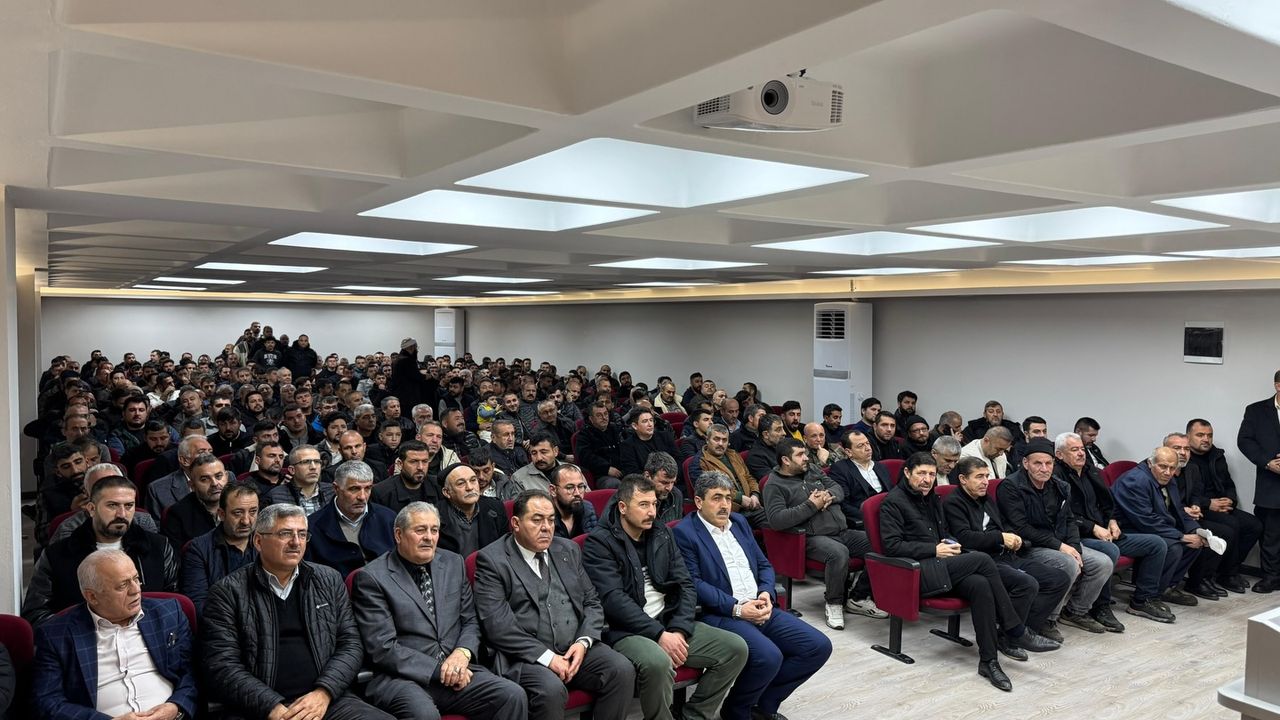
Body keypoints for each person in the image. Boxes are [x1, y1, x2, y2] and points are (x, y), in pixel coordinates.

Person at [203, 503, 392, 720]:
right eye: (285, 534)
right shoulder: (227, 593)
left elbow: (351, 644)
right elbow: (222, 665)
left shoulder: (329, 580)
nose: (296, 542)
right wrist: (272, 707)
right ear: (258, 541)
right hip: (260, 708)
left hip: (326, 701)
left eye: (302, 534)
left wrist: (324, 692)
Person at [583, 475, 748, 720]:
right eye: (643, 505)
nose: (652, 511)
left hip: (668, 621)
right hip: (627, 631)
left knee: (736, 649)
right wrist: (659, 635)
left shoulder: (661, 532)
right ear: (623, 507)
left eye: (654, 504)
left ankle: (693, 716)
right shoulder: (599, 543)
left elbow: (685, 584)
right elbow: (613, 600)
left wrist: (679, 629)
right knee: (659, 663)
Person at [880, 453, 1047, 691]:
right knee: (982, 560)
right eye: (921, 473)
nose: (927, 479)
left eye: (931, 474)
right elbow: (892, 546)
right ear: (907, 473)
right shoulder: (893, 502)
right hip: (915, 572)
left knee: (980, 585)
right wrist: (934, 549)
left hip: (941, 564)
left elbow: (943, 533)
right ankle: (1015, 629)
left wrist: (950, 543)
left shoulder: (932, 498)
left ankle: (989, 661)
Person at [674, 472, 832, 720]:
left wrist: (766, 592)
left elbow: (764, 564)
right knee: (768, 657)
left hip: (759, 605)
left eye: (728, 498)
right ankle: (736, 711)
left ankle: (763, 705)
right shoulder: (684, 532)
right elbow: (694, 584)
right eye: (716, 498)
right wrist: (738, 608)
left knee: (817, 647)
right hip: (721, 613)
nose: (725, 505)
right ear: (698, 502)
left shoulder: (739, 522)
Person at [350, 502, 527, 720]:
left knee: (511, 695)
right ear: (398, 535)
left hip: (458, 666)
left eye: (434, 530)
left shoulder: (454, 563)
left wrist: (462, 653)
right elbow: (383, 648)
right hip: (402, 678)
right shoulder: (372, 578)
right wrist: (441, 669)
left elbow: (471, 620)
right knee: (424, 714)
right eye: (420, 530)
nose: (429, 537)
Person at [473, 489, 635, 720]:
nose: (546, 527)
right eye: (537, 520)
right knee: (550, 690)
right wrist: (548, 658)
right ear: (516, 523)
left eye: (551, 520)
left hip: (574, 646)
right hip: (525, 656)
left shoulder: (567, 549)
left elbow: (591, 601)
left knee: (621, 670)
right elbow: (498, 627)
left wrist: (583, 642)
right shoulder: (492, 560)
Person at [32, 550, 197, 720]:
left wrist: (176, 707)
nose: (136, 590)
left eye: (136, 579)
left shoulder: (168, 613)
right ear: (92, 596)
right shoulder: (56, 635)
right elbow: (47, 701)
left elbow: (192, 673)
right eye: (122, 586)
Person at [943, 457, 1069, 649]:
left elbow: (1002, 525)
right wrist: (1000, 537)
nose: (985, 482)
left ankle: (1023, 631)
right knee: (1026, 583)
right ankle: (1011, 637)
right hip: (982, 561)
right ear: (963, 479)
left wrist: (1014, 538)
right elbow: (965, 538)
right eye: (979, 477)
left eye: (987, 476)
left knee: (1059, 579)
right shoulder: (953, 502)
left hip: (1006, 555)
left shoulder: (986, 499)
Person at [996, 439, 1114, 639]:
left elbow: (1069, 520)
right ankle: (1047, 618)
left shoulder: (1060, 486)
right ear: (1025, 463)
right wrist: (1061, 546)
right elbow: (1021, 528)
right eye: (1037, 463)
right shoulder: (1010, 486)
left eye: (1048, 463)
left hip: (1059, 543)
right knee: (1068, 564)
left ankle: (1076, 611)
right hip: (1028, 546)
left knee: (1103, 563)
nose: (1044, 468)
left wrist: (1075, 547)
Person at [762, 438, 886, 629]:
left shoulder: (812, 470)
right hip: (810, 538)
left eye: (805, 453)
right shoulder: (774, 485)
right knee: (838, 553)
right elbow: (777, 520)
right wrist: (811, 505)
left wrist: (828, 495)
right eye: (800, 455)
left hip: (842, 530)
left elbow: (838, 489)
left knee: (879, 543)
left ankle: (858, 597)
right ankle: (834, 603)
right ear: (786, 460)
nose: (806, 458)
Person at [24, 475, 178, 627]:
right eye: (112, 505)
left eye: (129, 505)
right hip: (82, 637)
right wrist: (76, 632)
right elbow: (36, 614)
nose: (122, 514)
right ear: (91, 509)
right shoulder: (56, 555)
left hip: (146, 634)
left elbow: (174, 601)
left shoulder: (159, 547)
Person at [1054, 431, 1172, 625]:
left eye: (1082, 449)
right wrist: (1093, 527)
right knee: (1110, 550)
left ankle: (1142, 601)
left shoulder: (1091, 471)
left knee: (1156, 544)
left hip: (1104, 532)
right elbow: (1064, 516)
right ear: (1059, 455)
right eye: (1074, 450)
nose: (1081, 453)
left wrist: (1112, 521)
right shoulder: (1056, 477)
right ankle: (1100, 606)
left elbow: (1108, 503)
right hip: (1076, 536)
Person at [1112, 447, 1218, 609]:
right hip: (1127, 529)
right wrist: (1181, 536)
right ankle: (1145, 597)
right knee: (1174, 546)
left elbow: (1178, 511)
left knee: (1195, 544)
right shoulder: (1136, 481)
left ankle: (1165, 588)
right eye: (1163, 466)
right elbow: (1145, 521)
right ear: (1150, 463)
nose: (1168, 472)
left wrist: (1196, 531)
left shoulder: (1167, 478)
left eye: (1172, 468)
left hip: (1150, 526)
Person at [1186, 419, 1261, 594]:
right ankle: (1228, 573)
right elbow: (1186, 494)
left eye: (1209, 435)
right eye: (1200, 435)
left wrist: (1230, 500)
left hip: (1221, 506)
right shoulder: (1184, 458)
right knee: (1231, 526)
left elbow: (1228, 483)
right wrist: (1208, 503)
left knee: (1254, 525)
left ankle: (1226, 570)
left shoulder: (1217, 455)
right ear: (1188, 436)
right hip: (1200, 508)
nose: (1206, 439)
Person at [306, 460, 397, 579]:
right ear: (336, 488)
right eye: (354, 489)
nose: (362, 497)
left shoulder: (388, 518)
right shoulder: (313, 526)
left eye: (368, 488)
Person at [181, 481, 259, 612]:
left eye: (253, 512)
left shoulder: (269, 543)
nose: (246, 521)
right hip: (220, 621)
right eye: (238, 513)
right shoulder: (198, 550)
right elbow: (199, 606)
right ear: (221, 514)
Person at [1237, 374, 1280, 593]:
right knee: (1271, 534)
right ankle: (1271, 577)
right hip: (1270, 482)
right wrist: (1267, 462)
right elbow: (1244, 440)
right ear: (1278, 385)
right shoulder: (1256, 410)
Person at [689, 424, 766, 528]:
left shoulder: (734, 455)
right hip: (727, 512)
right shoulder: (699, 462)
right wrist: (740, 498)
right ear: (707, 440)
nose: (720, 443)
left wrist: (755, 494)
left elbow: (748, 477)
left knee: (776, 522)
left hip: (751, 506)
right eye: (716, 439)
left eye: (724, 440)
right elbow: (709, 491)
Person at [437, 462, 508, 557]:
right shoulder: (435, 516)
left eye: (473, 480)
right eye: (461, 483)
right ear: (447, 492)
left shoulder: (495, 508)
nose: (470, 488)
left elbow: (506, 550)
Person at [828, 430, 892, 530]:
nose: (868, 448)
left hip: (890, 516)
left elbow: (892, 493)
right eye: (860, 446)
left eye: (867, 443)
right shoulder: (840, 469)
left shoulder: (880, 466)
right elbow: (844, 505)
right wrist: (870, 516)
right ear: (848, 452)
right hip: (864, 521)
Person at [161, 452, 226, 549]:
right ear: (192, 485)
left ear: (227, 477)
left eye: (218, 476)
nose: (215, 483)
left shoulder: (240, 503)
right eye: (204, 479)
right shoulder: (177, 514)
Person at [145, 434, 214, 515]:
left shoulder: (225, 479)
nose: (209, 457)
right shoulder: (157, 489)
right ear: (184, 460)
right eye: (201, 452)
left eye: (210, 452)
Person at [266, 444, 334, 515]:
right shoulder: (275, 496)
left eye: (317, 462)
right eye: (306, 462)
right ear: (292, 470)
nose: (313, 467)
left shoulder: (333, 491)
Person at [371, 440, 439, 511]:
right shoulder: (381, 492)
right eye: (413, 462)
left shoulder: (438, 486)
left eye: (425, 461)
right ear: (400, 464)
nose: (420, 467)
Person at [619, 407, 679, 476]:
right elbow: (632, 472)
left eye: (651, 420)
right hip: (646, 481)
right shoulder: (627, 446)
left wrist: (672, 476)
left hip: (672, 477)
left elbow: (678, 459)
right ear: (635, 426)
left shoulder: (665, 436)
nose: (650, 424)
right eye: (645, 421)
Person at [548, 464, 598, 539]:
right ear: (553, 490)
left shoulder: (587, 508)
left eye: (580, 486)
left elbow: (595, 541)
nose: (577, 493)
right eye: (570, 488)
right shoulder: (545, 517)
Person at [643, 452, 684, 525]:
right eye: (664, 482)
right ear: (647, 476)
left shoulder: (676, 495)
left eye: (673, 482)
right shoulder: (632, 497)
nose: (669, 488)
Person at [746, 415, 786, 482]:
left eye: (783, 428)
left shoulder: (780, 446)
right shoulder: (756, 457)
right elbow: (775, 481)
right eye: (778, 430)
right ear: (766, 434)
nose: (784, 433)